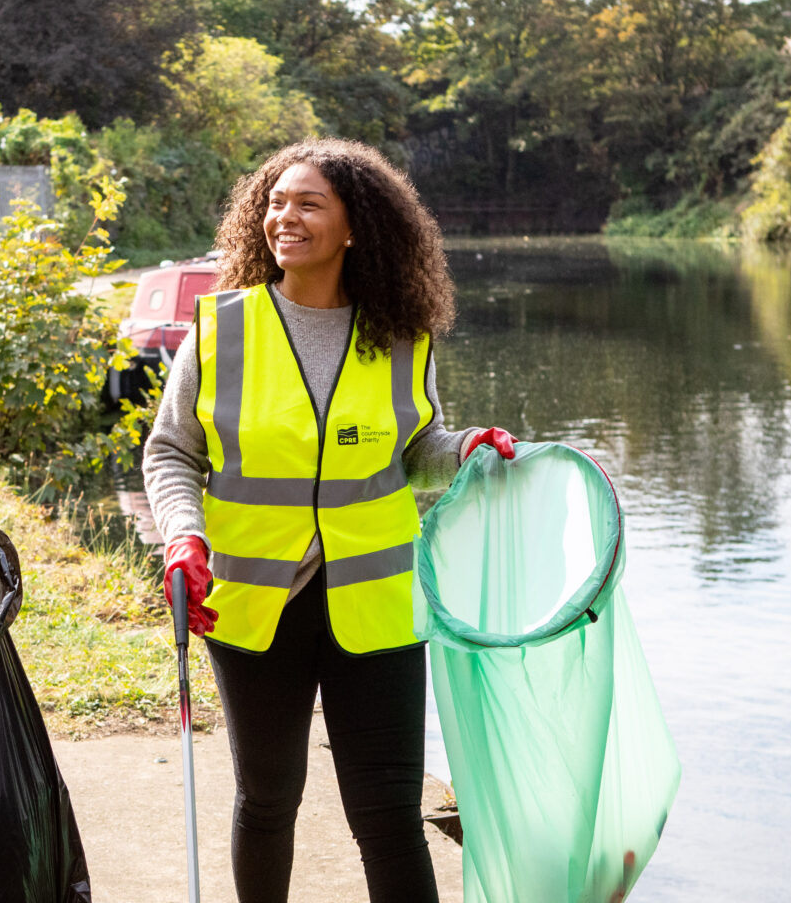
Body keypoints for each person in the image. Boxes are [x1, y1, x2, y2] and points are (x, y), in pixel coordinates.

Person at [142, 138, 516, 903]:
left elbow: (416, 452)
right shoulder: (221, 330)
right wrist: (184, 532)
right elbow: (171, 452)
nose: (286, 216)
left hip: (375, 606)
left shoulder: (404, 336)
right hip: (249, 600)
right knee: (269, 800)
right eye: (276, 202)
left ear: (356, 226)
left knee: (387, 815)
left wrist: (468, 449)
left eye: (309, 203)